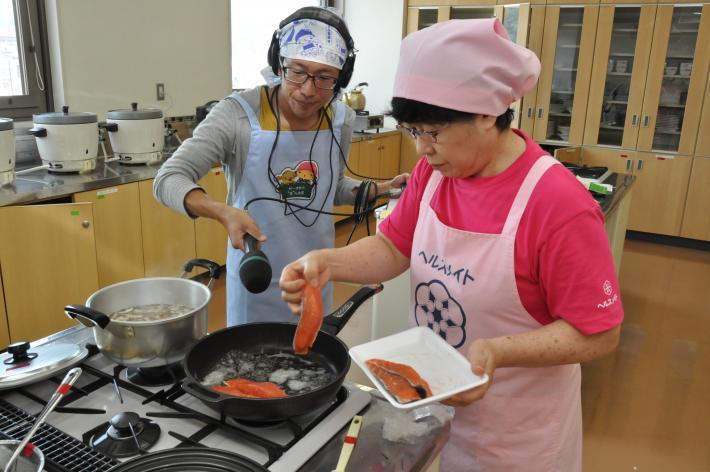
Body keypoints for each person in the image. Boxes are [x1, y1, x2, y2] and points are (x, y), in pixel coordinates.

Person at [280, 18, 623, 471]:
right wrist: (328, 262)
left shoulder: (558, 205)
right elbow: (393, 249)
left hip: (516, 436)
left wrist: (500, 351)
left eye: (433, 131)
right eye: (412, 131)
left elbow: (599, 332)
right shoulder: (435, 173)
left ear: (487, 113)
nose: (421, 149)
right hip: (430, 407)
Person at [153, 6, 406, 326]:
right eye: (298, 71)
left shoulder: (340, 118)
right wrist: (222, 211)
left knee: (311, 365)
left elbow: (329, 188)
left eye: (325, 77)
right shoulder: (237, 115)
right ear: (278, 62)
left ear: (341, 77)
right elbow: (168, 178)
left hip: (314, 275)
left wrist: (379, 189)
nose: (309, 89)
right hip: (257, 277)